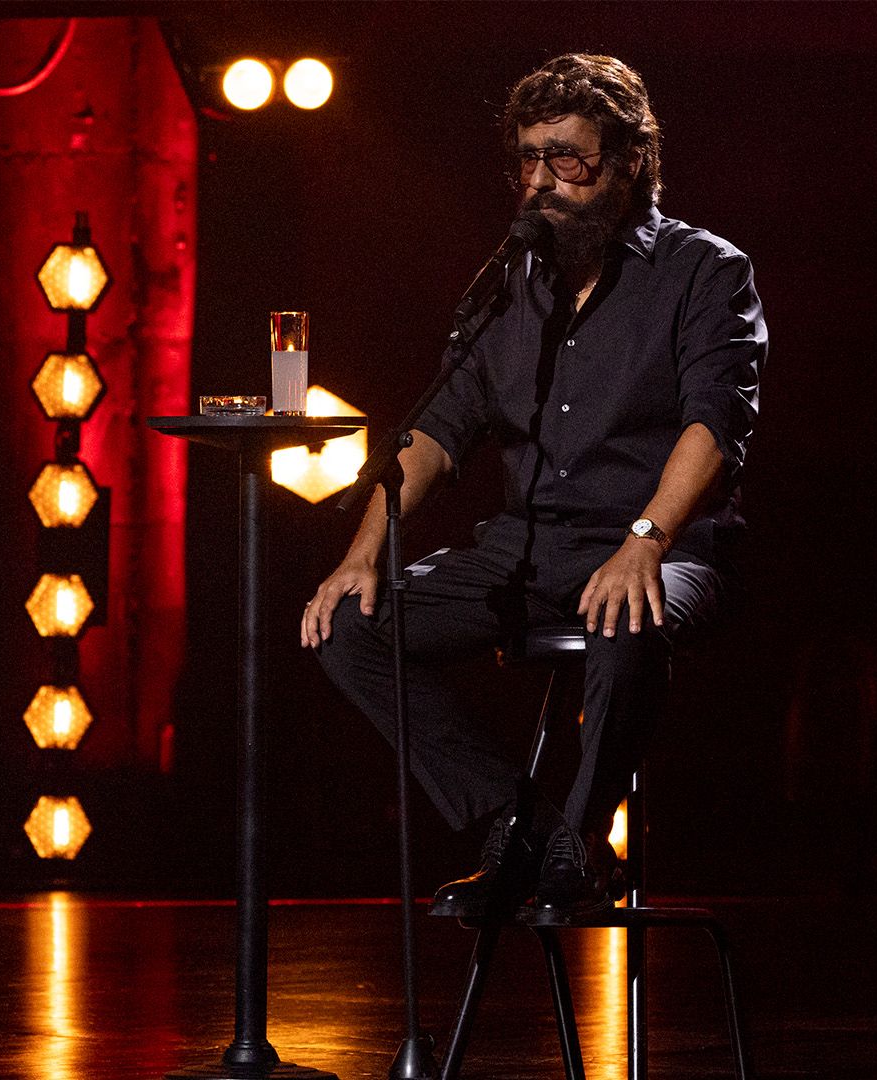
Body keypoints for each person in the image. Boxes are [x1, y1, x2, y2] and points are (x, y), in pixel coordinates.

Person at [299, 53, 766, 919]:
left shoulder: (705, 272)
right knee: (349, 626)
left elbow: (715, 423)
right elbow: (439, 429)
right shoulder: (511, 282)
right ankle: (522, 829)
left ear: (629, 161)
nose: (543, 181)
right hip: (530, 547)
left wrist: (645, 542)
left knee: (629, 614)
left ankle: (577, 848)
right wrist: (364, 553)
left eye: (568, 159)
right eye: (529, 159)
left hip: (661, 546)